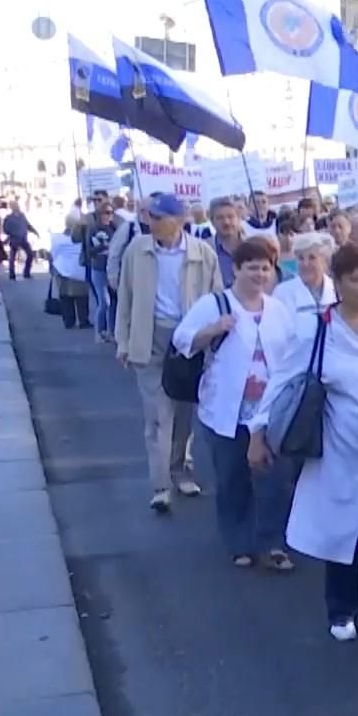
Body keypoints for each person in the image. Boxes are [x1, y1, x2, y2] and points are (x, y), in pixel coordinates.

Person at [251, 245, 358, 639]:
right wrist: (257, 432)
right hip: (340, 451)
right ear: (338, 282)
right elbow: (283, 381)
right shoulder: (316, 329)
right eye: (357, 279)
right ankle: (342, 611)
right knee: (343, 534)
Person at [174, 240, 296, 568]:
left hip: (270, 410)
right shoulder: (215, 304)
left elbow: (291, 353)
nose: (259, 273)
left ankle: (274, 542)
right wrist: (213, 329)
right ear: (237, 269)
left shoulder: (278, 310)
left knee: (274, 478)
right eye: (251, 266)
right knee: (232, 478)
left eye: (265, 267)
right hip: (225, 408)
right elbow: (182, 339)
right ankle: (239, 542)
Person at [115, 192, 222, 512]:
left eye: (158, 217)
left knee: (184, 416)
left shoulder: (202, 253)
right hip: (149, 337)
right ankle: (161, 485)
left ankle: (181, 470)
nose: (151, 222)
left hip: (188, 340)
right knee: (158, 417)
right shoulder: (137, 250)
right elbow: (125, 297)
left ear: (178, 221)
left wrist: (211, 340)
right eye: (149, 216)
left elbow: (215, 298)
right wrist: (123, 341)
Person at [273, 232, 338, 318]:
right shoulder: (283, 292)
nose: (305, 263)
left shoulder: (336, 290)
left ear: (324, 261)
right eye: (301, 258)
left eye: (312, 258)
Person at [85, 201, 119, 342]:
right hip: (98, 268)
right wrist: (104, 246)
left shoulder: (114, 228)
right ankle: (99, 331)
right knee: (104, 302)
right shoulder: (93, 229)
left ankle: (111, 331)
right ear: (99, 215)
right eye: (106, 213)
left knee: (114, 302)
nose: (108, 216)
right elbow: (89, 251)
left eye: (111, 213)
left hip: (111, 268)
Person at [49, 218, 91, 329]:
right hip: (80, 270)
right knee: (82, 297)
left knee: (65, 297)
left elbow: (54, 253)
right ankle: (83, 320)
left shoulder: (58, 238)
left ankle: (68, 321)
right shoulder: (83, 237)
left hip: (63, 269)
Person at [2, 199, 35, 280]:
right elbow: (5, 229)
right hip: (14, 239)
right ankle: (12, 274)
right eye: (15, 206)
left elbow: (27, 225)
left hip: (23, 238)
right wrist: (12, 233)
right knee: (12, 257)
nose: (17, 207)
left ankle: (26, 272)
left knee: (30, 255)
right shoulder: (9, 218)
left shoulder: (22, 215)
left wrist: (35, 231)